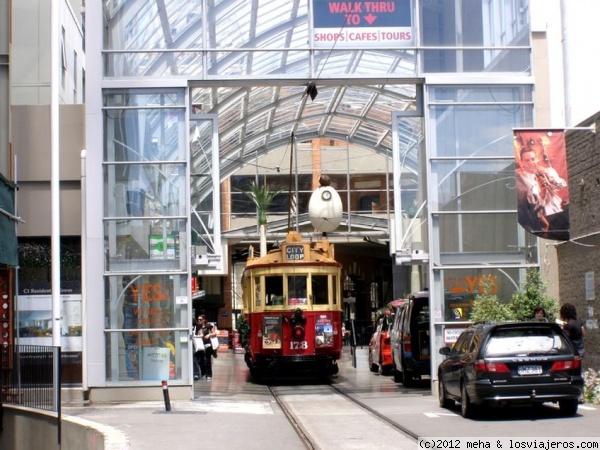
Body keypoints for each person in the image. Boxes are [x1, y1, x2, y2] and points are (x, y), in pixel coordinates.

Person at [515, 146, 569, 240]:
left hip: (560, 210)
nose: (531, 163)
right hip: (545, 217)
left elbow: (563, 185)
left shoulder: (548, 171)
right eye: (527, 160)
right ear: (522, 163)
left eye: (533, 159)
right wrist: (542, 194)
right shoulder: (524, 182)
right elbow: (531, 205)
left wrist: (550, 178)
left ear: (537, 159)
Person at [196, 314, 217, 381]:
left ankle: (209, 375)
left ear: (204, 320)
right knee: (200, 360)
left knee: (207, 360)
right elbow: (199, 335)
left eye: (200, 319)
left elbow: (214, 333)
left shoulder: (209, 326)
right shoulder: (198, 327)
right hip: (200, 345)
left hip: (208, 345)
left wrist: (209, 334)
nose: (199, 320)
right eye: (198, 319)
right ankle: (203, 373)